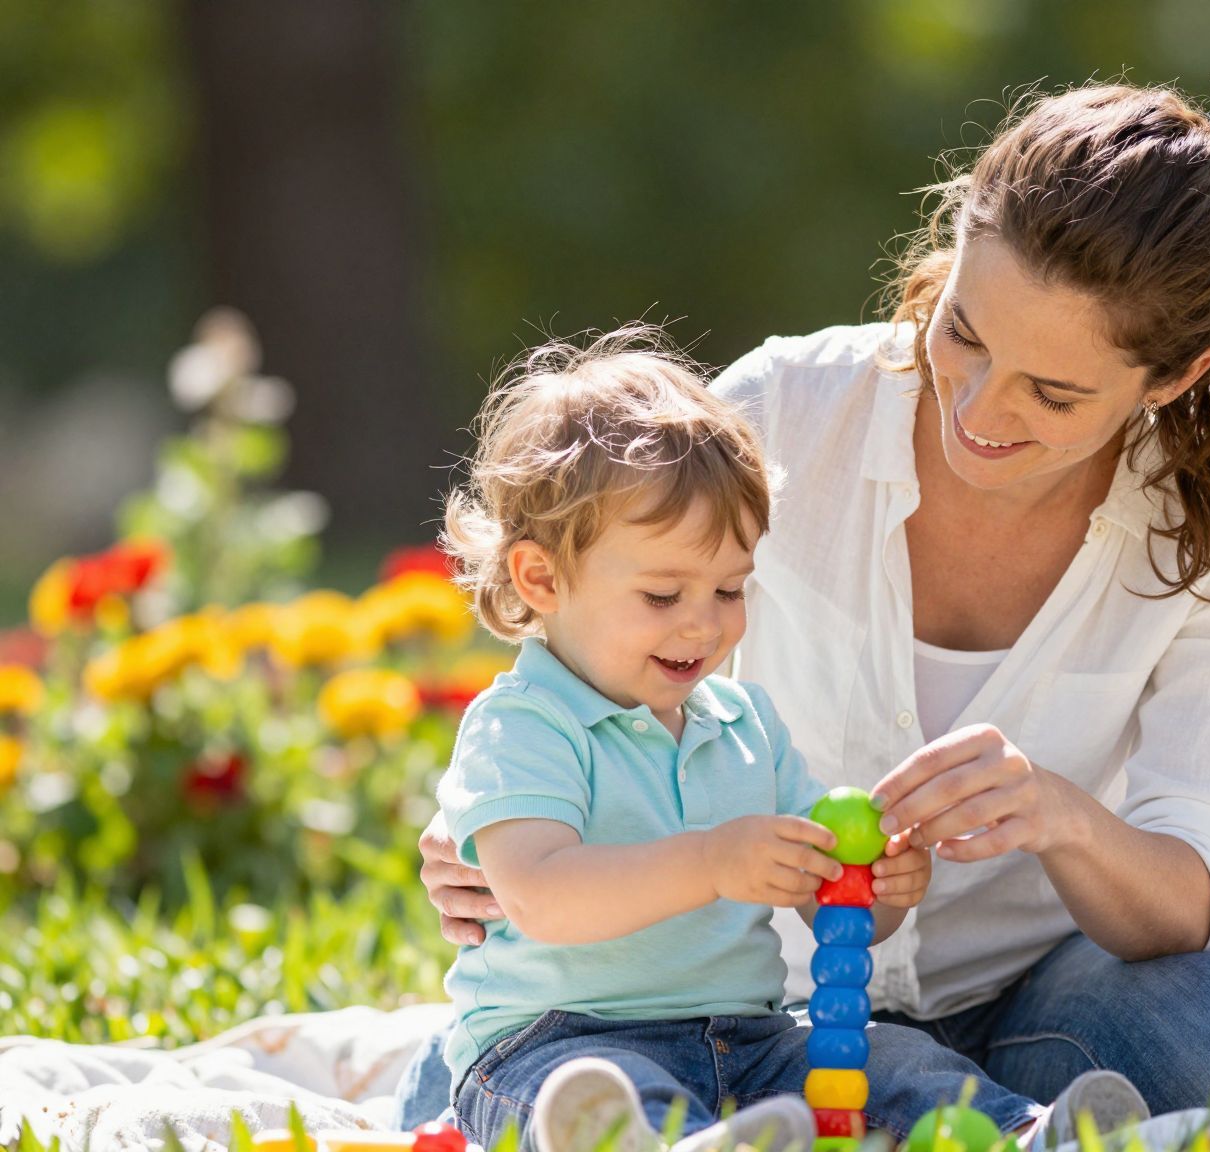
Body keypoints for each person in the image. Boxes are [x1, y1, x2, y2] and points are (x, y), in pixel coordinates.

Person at [403, 82, 1210, 1130]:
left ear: (1170, 378)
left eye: (1053, 392)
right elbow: (591, 618)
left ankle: (1015, 1119)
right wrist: (476, 836)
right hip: (769, 1010)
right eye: (964, 333)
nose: (979, 407)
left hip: (1038, 999)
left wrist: (1055, 816)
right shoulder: (781, 414)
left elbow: (1189, 893)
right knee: (598, 1081)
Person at [427, 331, 1140, 1152]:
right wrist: (711, 862)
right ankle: (661, 1142)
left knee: (894, 1056)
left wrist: (872, 886)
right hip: (558, 1041)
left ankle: (1030, 1135)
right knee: (608, 1096)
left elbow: (834, 909)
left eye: (730, 588)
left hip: (749, 1039)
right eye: (663, 594)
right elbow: (541, 897)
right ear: (542, 579)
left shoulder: (745, 724)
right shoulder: (523, 725)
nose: (705, 622)